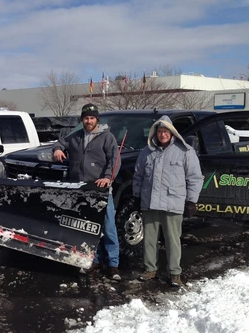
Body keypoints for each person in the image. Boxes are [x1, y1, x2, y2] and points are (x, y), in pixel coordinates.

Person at [53, 103, 121, 280]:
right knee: (88, 229)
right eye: (86, 118)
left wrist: (107, 177)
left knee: (108, 227)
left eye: (92, 118)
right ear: (82, 120)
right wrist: (58, 149)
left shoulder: (107, 137)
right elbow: (60, 143)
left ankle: (113, 264)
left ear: (97, 119)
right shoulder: (75, 136)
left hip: (100, 190)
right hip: (80, 190)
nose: (89, 121)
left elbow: (114, 160)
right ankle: (94, 260)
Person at [132, 115, 203, 287]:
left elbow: (195, 178)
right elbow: (138, 175)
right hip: (150, 203)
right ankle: (150, 269)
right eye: (159, 131)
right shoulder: (146, 152)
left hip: (173, 203)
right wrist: (136, 195)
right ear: (155, 133)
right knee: (149, 239)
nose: (162, 134)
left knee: (172, 239)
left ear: (172, 132)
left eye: (165, 131)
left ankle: (174, 273)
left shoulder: (185, 151)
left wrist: (191, 200)